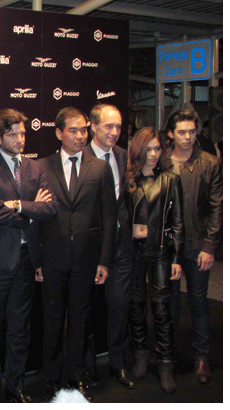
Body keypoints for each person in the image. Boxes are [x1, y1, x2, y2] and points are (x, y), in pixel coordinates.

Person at [0, 108, 58, 403]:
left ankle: (15, 386)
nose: (21, 139)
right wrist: (32, 209)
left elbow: (50, 208)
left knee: (20, 328)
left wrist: (19, 205)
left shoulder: (35, 167)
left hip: (26, 259)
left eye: (23, 133)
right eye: (13, 134)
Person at [37, 107, 116, 402]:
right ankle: (51, 378)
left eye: (83, 129)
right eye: (73, 130)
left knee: (81, 322)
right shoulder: (41, 167)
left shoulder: (100, 168)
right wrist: (37, 261)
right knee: (52, 321)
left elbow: (109, 217)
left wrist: (104, 260)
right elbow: (35, 219)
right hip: (52, 259)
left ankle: (76, 378)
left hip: (87, 259)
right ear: (59, 133)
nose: (81, 135)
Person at [125, 126, 184, 394]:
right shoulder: (130, 180)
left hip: (160, 250)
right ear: (139, 150)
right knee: (136, 305)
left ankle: (166, 362)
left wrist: (177, 257)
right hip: (134, 251)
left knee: (161, 307)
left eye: (157, 148)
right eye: (148, 149)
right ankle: (140, 353)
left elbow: (178, 222)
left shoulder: (171, 180)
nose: (153, 154)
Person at [166, 110, 222, 385]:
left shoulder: (210, 162)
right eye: (182, 132)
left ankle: (202, 358)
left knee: (199, 301)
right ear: (171, 134)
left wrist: (210, 246)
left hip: (198, 245)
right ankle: (169, 355)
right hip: (169, 247)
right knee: (170, 302)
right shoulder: (162, 161)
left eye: (191, 131)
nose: (187, 137)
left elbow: (217, 207)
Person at [84, 104, 136, 389]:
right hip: (92, 246)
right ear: (93, 127)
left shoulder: (121, 155)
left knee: (120, 305)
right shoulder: (81, 157)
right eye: (108, 126)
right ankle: (88, 366)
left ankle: (118, 363)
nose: (115, 132)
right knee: (89, 308)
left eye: (118, 127)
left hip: (121, 244)